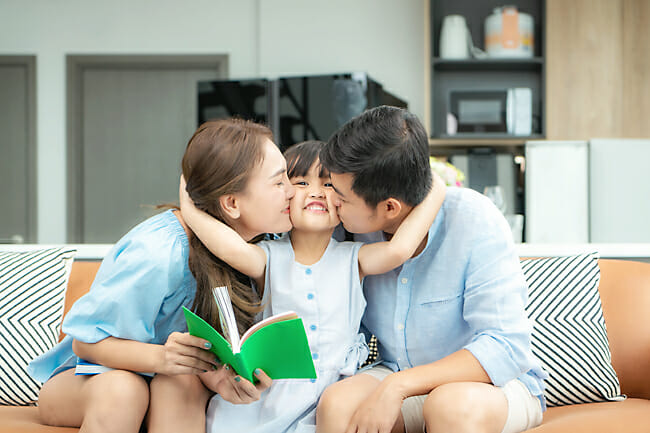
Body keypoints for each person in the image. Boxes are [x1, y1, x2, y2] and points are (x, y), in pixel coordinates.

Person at [28, 119, 294, 433]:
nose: (293, 191)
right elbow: (86, 344)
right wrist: (162, 358)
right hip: (90, 380)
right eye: (279, 182)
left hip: (172, 380)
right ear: (232, 203)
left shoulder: (261, 249)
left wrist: (221, 376)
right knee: (125, 391)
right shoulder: (157, 253)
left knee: (181, 382)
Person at [178, 139, 446, 433]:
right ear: (283, 198)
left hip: (336, 395)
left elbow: (399, 249)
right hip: (273, 397)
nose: (317, 191)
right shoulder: (268, 257)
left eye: (329, 184)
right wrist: (189, 205)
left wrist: (435, 186)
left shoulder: (353, 258)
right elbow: (226, 246)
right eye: (301, 182)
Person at [316, 106, 548, 433]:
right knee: (338, 406)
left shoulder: (474, 220)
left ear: (390, 207)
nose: (330, 201)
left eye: (340, 197)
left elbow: (505, 347)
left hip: (490, 386)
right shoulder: (350, 228)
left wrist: (398, 386)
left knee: (450, 407)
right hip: (396, 371)